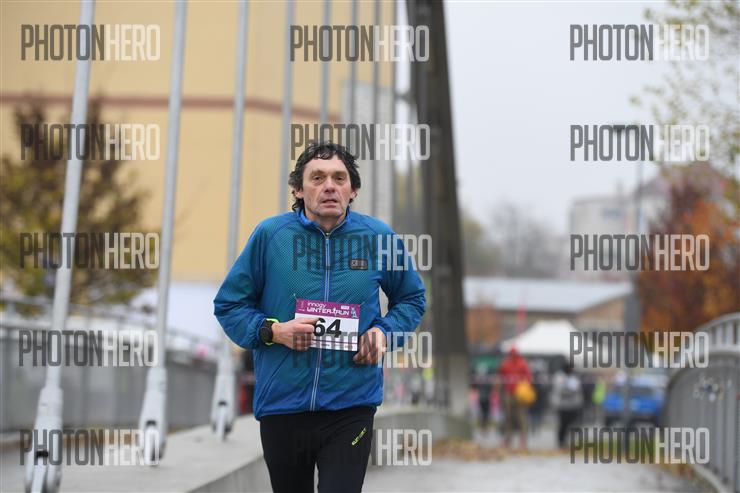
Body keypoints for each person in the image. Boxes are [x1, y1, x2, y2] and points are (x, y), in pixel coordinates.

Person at [213, 142, 426, 493]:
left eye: (339, 178)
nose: (329, 186)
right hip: (283, 407)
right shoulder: (271, 236)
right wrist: (273, 331)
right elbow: (229, 305)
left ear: (353, 190)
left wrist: (384, 334)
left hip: (350, 406)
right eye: (318, 178)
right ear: (298, 189)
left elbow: (412, 298)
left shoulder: (378, 238)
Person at [497, 347, 532, 449]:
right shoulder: (506, 364)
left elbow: (528, 378)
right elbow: (500, 377)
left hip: (519, 394)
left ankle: (522, 440)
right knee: (509, 417)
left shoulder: (521, 364)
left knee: (520, 418)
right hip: (508, 393)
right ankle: (508, 439)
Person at [550, 362, 584, 449]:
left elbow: (578, 389)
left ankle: (566, 441)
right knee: (563, 424)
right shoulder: (559, 377)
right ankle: (561, 441)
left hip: (572, 405)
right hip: (562, 405)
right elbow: (558, 390)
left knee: (570, 424)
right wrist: (568, 389)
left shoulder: (574, 377)